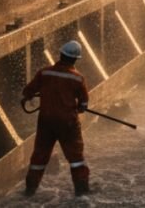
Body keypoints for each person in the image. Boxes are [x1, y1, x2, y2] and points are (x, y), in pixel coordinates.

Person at [21, 40, 91, 196]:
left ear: (60, 54)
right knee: (76, 158)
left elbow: (28, 91)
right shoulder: (78, 79)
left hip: (46, 122)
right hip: (68, 123)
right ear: (75, 59)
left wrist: (29, 96)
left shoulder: (44, 72)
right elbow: (83, 104)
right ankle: (82, 191)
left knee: (39, 155)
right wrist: (78, 107)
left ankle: (30, 190)